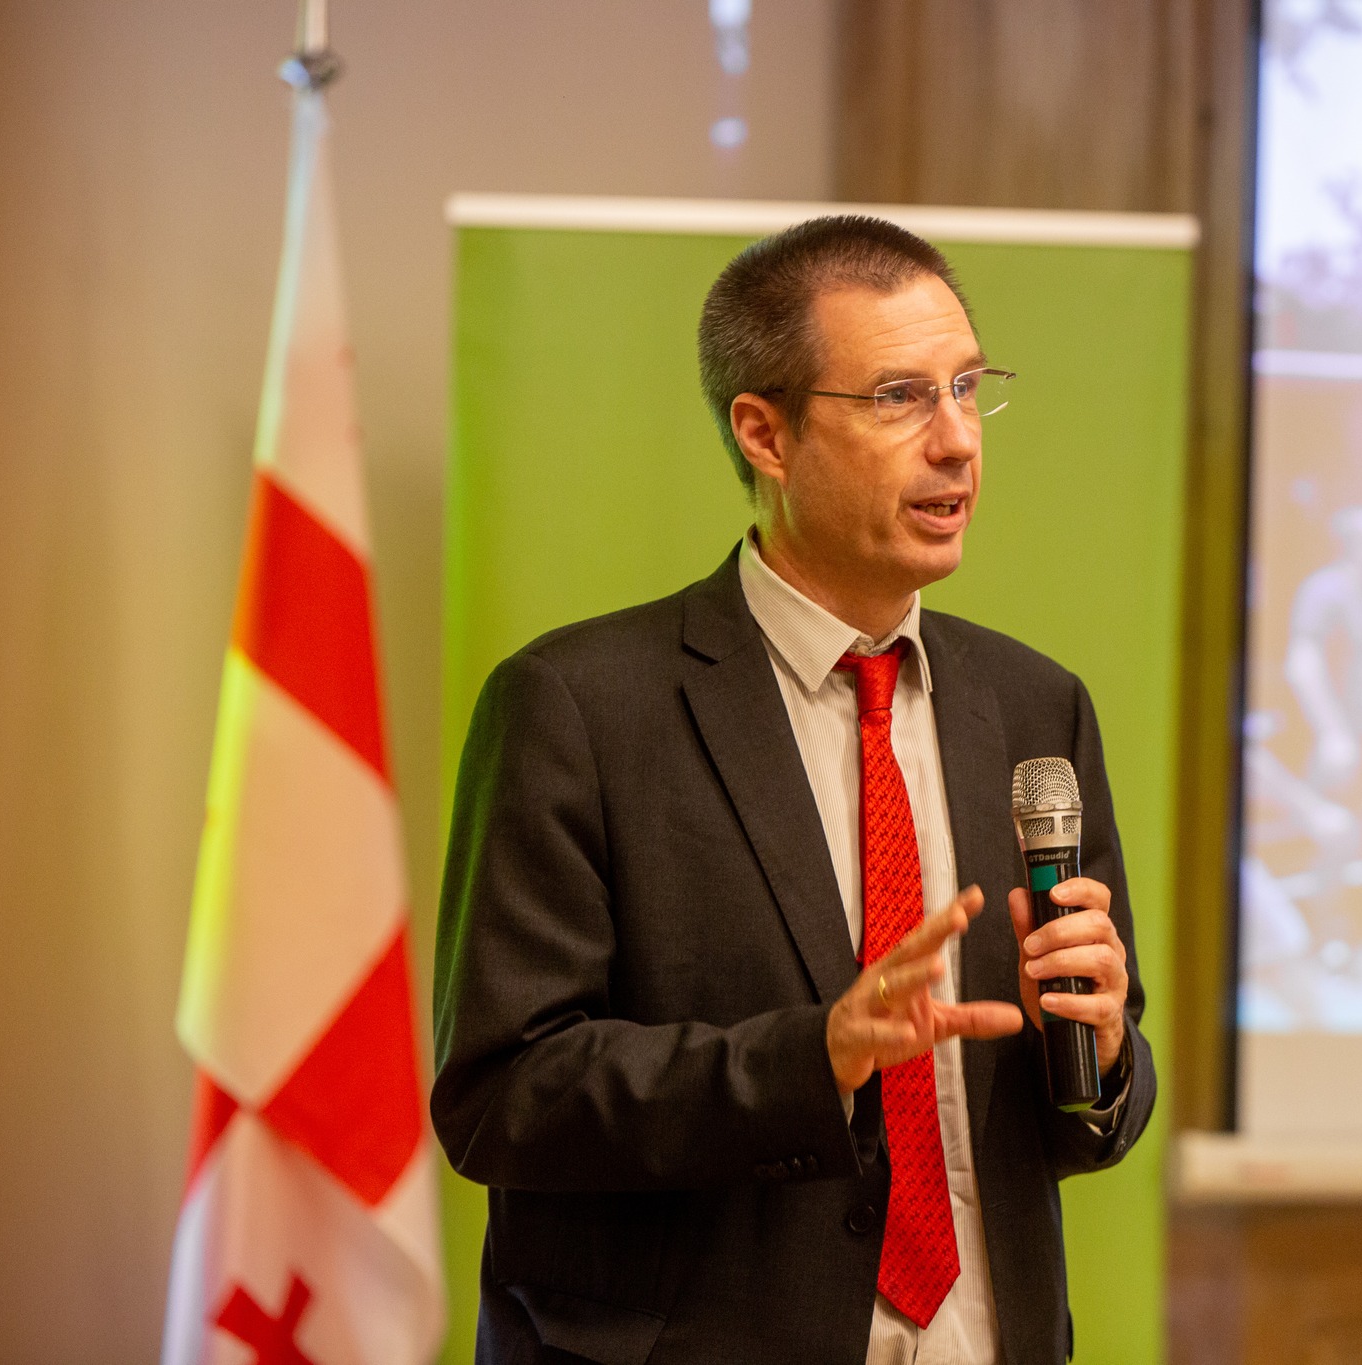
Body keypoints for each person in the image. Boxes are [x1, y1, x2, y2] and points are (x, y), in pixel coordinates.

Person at [430, 216, 1155, 1364]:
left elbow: (1076, 1126)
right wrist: (812, 1058)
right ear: (764, 434)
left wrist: (1103, 1053)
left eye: (967, 388)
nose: (956, 441)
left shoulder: (1033, 707)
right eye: (899, 397)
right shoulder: (577, 708)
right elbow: (503, 1099)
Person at [1284, 506, 1362, 922]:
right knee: (1340, 838)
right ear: (1359, 543)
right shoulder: (1325, 591)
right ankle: (1329, 936)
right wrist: (1333, 733)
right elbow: (1302, 662)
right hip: (1349, 737)